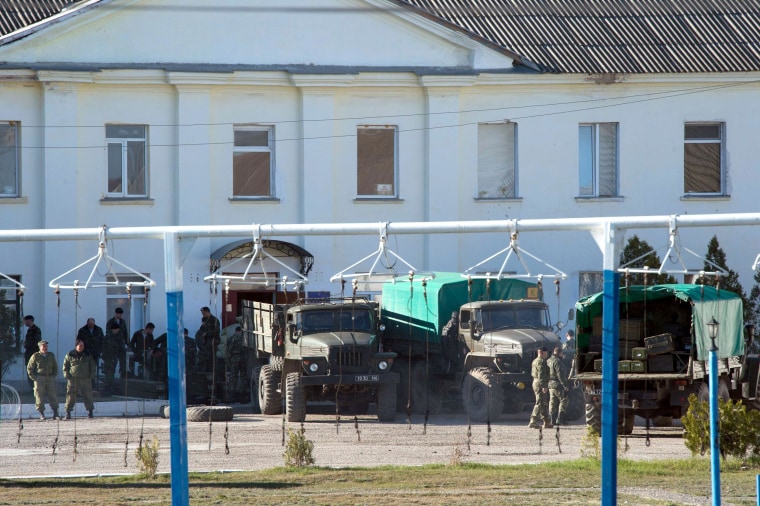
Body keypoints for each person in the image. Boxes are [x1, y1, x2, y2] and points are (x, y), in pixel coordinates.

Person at [62, 339, 96, 419]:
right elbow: (65, 366)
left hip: (85, 378)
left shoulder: (87, 354)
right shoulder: (70, 354)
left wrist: (91, 376)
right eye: (80, 345)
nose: (81, 347)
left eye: (83, 346)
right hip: (73, 378)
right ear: (76, 346)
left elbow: (92, 366)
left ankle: (90, 412)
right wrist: (66, 375)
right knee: (71, 396)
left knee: (88, 395)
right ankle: (68, 412)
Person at [26, 340, 60, 420]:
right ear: (40, 347)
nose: (45, 348)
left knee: (53, 395)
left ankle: (55, 413)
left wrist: (53, 375)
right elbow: (30, 368)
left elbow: (55, 366)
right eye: (43, 346)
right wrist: (34, 378)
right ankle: (41, 414)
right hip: (39, 378)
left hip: (49, 377)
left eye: (46, 346)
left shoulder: (51, 355)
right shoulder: (35, 356)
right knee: (39, 396)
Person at [528, 346, 552, 429]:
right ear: (542, 352)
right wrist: (544, 386)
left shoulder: (535, 361)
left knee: (543, 402)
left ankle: (547, 421)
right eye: (546, 353)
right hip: (540, 383)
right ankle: (533, 421)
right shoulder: (541, 362)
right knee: (539, 402)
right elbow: (541, 375)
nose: (547, 354)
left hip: (536, 382)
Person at [77, 317, 104, 389]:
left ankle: (92, 386)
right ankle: (85, 386)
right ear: (87, 323)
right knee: (85, 370)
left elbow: (102, 341)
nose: (91, 325)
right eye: (90, 324)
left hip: (95, 354)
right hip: (85, 354)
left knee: (92, 370)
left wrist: (100, 351)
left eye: (93, 324)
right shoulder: (82, 331)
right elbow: (78, 341)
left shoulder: (98, 330)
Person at [547, 345, 570, 425]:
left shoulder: (548, 360)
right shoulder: (557, 361)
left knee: (552, 401)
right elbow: (560, 374)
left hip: (550, 384)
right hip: (557, 384)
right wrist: (565, 385)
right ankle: (560, 419)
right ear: (560, 353)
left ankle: (552, 419)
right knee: (564, 400)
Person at [105, 307, 129, 380]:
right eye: (119, 314)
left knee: (123, 362)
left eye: (121, 314)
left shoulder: (123, 322)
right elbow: (108, 333)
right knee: (113, 363)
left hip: (121, 345)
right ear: (116, 313)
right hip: (113, 346)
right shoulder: (110, 322)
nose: (120, 315)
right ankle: (111, 379)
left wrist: (127, 343)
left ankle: (123, 377)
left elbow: (125, 333)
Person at [101, 321, 124, 393]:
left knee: (110, 373)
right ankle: (107, 388)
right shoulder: (110, 337)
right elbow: (104, 347)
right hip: (109, 357)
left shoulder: (115, 337)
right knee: (109, 373)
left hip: (112, 357)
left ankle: (109, 388)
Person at [196, 307, 220, 372]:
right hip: (206, 341)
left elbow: (216, 332)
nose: (202, 315)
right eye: (202, 313)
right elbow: (201, 329)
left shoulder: (214, 320)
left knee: (212, 358)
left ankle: (214, 373)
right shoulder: (204, 319)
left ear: (207, 312)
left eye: (203, 313)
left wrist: (207, 334)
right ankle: (205, 372)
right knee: (203, 356)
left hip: (213, 341)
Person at [225, 326, 247, 400]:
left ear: (235, 331)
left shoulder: (230, 339)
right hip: (243, 358)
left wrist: (228, 361)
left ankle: (232, 397)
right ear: (240, 331)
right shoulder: (244, 339)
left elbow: (228, 351)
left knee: (233, 377)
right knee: (243, 377)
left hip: (234, 359)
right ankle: (243, 396)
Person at [22, 315, 42, 388]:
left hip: (33, 354)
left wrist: (28, 345)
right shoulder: (29, 330)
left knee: (34, 371)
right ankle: (32, 388)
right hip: (28, 354)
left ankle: (36, 388)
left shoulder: (36, 330)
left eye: (25, 321)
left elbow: (37, 342)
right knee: (29, 371)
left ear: (30, 320)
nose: (24, 322)